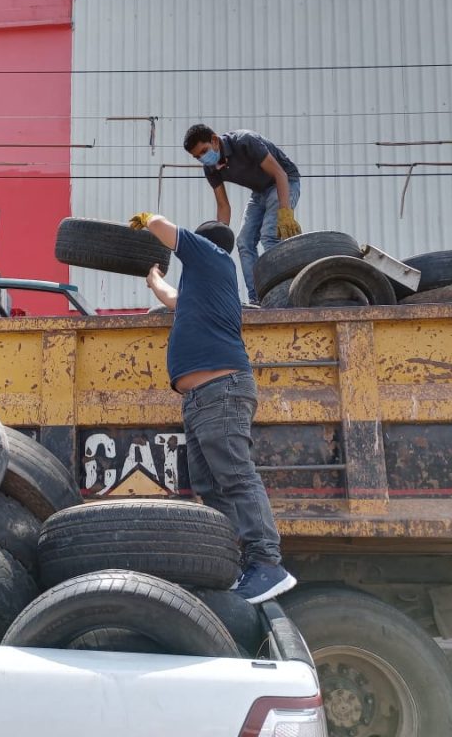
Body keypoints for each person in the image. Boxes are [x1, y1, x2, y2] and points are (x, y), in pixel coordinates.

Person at [129, 211, 296, 604]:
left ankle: (268, 563)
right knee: (211, 487)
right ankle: (240, 565)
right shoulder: (203, 288)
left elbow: (164, 229)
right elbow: (172, 299)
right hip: (201, 399)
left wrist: (148, 219)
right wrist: (154, 280)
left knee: (236, 477)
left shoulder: (212, 256)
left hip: (221, 390)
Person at [183, 124, 302, 304]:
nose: (202, 158)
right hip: (259, 191)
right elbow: (223, 206)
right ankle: (258, 297)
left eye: (204, 151)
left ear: (214, 140)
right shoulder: (211, 168)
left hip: (284, 182)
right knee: (243, 242)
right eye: (197, 157)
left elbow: (280, 174)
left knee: (270, 236)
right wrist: (218, 246)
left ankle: (283, 294)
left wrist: (285, 213)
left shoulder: (245, 141)